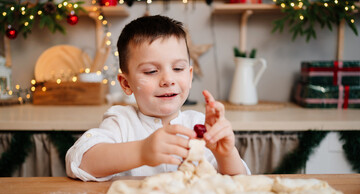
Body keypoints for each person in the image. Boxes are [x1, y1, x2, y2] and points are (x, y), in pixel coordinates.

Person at [66, 15, 250, 181]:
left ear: (190, 75)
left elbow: (239, 183)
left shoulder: (199, 125)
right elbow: (78, 162)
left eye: (178, 69)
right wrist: (142, 151)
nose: (168, 80)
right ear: (126, 84)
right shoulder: (121, 122)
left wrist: (226, 154)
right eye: (151, 71)